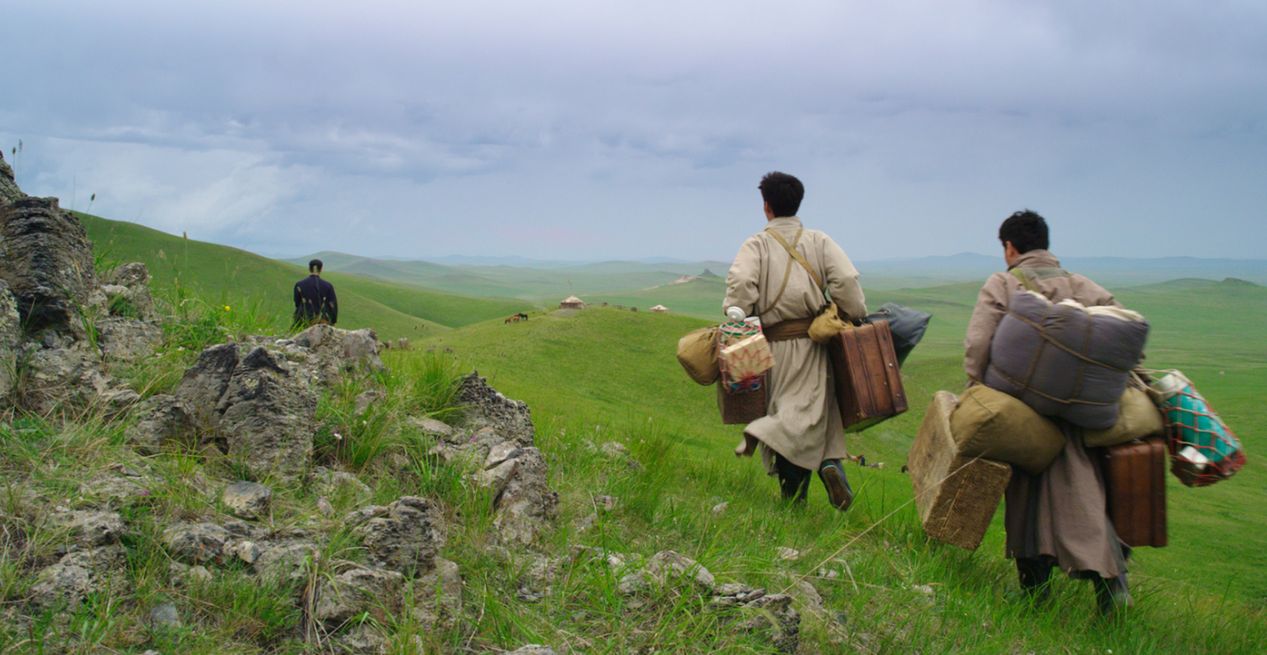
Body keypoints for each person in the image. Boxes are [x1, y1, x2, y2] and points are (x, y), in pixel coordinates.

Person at [964, 210, 1132, 616]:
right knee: (1087, 498)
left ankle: (1041, 595)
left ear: (1009, 247)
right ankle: (1109, 589)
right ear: (1045, 244)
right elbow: (1125, 332)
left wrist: (977, 391)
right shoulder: (1082, 285)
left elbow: (978, 343)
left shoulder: (1003, 282)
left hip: (1025, 420)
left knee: (1025, 504)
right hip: (1080, 422)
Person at [723, 171, 867, 509]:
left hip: (772, 347)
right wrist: (852, 312)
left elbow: (742, 283)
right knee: (812, 413)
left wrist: (736, 312)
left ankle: (792, 499)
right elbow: (846, 280)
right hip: (818, 345)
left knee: (787, 420)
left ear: (766, 207)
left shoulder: (756, 244)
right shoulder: (819, 241)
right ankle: (830, 463)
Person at [293, 259, 338, 327]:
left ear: (309, 268)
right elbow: (332, 305)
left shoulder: (299, 284)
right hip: (322, 323)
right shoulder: (328, 286)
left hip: (302, 320)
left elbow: (297, 303)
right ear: (321, 269)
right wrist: (333, 321)